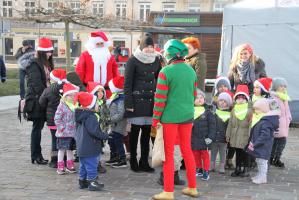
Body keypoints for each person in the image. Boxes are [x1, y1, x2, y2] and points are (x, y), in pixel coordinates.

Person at [152, 39, 199, 200]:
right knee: (187, 151)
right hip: (187, 117)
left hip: (170, 119)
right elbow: (193, 95)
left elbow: (160, 100)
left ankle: (168, 191)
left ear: (169, 54)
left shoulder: (165, 72)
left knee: (169, 153)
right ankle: (192, 187)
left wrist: (155, 120)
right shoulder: (191, 71)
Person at [124, 33, 162, 173]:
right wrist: (129, 104)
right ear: (142, 47)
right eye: (147, 47)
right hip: (136, 102)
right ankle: (133, 161)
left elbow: (160, 79)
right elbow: (127, 84)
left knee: (146, 134)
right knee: (134, 134)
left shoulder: (156, 60)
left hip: (151, 102)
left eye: (152, 47)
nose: (150, 49)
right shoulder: (133, 60)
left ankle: (144, 161)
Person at [23, 37, 54, 165]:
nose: (50, 54)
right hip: (37, 101)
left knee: (39, 128)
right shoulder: (34, 64)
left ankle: (39, 155)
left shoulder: (47, 64)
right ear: (42, 52)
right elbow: (37, 85)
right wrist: (48, 96)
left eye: (51, 51)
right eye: (48, 51)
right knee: (37, 128)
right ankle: (36, 155)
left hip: (44, 99)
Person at [75, 92, 109, 191]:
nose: (98, 105)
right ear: (91, 106)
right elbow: (95, 132)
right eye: (97, 103)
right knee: (91, 165)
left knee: (83, 165)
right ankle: (92, 182)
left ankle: (82, 181)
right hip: (90, 146)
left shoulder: (81, 115)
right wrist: (105, 135)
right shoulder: (91, 117)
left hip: (82, 146)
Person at [76, 31, 119, 98]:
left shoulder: (109, 56)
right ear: (93, 44)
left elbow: (115, 73)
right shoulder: (85, 55)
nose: (99, 45)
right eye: (97, 44)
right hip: (89, 91)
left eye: (101, 43)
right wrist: (79, 87)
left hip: (107, 92)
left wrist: (117, 86)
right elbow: (80, 71)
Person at [246, 98, 280, 184]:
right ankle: (260, 175)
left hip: (263, 146)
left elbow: (265, 135)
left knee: (262, 162)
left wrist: (256, 143)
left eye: (257, 109)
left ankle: (263, 177)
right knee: (259, 160)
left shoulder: (266, 122)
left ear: (264, 110)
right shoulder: (263, 119)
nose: (255, 111)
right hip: (260, 145)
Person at [39, 68, 67, 168]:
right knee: (65, 139)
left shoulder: (48, 90)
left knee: (54, 140)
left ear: (52, 79)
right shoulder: (68, 88)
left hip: (52, 121)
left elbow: (41, 103)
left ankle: (55, 161)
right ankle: (65, 159)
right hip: (66, 121)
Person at [226, 84, 252, 177]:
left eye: (243, 98)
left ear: (246, 99)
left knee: (245, 153)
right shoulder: (234, 110)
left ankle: (245, 169)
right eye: (238, 98)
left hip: (244, 136)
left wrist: (249, 137)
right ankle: (238, 168)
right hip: (235, 136)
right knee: (237, 153)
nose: (240, 100)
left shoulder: (249, 111)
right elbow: (230, 124)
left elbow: (250, 125)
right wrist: (228, 135)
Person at [54, 83, 79, 174]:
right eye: (70, 95)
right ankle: (60, 166)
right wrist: (62, 128)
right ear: (65, 96)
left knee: (70, 149)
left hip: (72, 133)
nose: (72, 97)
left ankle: (70, 165)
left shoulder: (75, 106)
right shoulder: (62, 106)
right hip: (63, 133)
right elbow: (57, 119)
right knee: (62, 149)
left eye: (74, 95)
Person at [192, 89, 216, 181]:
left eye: (201, 97)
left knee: (205, 155)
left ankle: (206, 171)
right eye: (197, 98)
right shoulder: (191, 110)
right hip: (194, 138)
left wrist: (210, 137)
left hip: (205, 138)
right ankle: (199, 169)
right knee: (195, 154)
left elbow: (212, 125)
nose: (199, 99)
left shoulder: (208, 111)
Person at [86, 81, 109, 173]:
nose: (100, 93)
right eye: (98, 91)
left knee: (100, 148)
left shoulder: (104, 103)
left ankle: (97, 163)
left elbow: (107, 116)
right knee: (94, 147)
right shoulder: (91, 104)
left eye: (102, 91)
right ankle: (94, 164)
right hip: (94, 130)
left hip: (103, 129)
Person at [105, 76, 127, 168]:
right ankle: (115, 156)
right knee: (111, 140)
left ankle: (122, 159)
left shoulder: (121, 99)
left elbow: (120, 114)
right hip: (114, 124)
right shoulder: (117, 97)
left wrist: (110, 120)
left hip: (118, 124)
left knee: (118, 141)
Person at [270, 78, 292, 168]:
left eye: (284, 86)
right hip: (278, 124)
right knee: (275, 142)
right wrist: (277, 121)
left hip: (285, 124)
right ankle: (271, 158)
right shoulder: (273, 98)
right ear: (275, 87)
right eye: (281, 86)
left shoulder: (284, 97)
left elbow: (287, 110)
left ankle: (277, 158)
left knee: (282, 142)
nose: (283, 88)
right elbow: (274, 111)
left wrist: (289, 118)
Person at [210, 90, 233, 174]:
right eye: (220, 100)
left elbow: (230, 127)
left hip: (224, 138)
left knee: (223, 153)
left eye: (225, 101)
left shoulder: (229, 114)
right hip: (214, 137)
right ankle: (212, 165)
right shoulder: (213, 112)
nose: (222, 103)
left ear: (228, 103)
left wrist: (228, 136)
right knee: (213, 152)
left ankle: (222, 166)